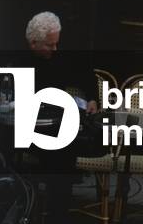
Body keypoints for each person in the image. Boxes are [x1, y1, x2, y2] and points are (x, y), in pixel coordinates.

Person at [13, 12, 98, 224]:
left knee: (62, 153)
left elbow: (87, 76)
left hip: (53, 125)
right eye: (50, 45)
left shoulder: (59, 57)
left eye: (56, 44)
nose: (55, 49)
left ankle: (56, 213)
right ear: (33, 43)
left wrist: (93, 99)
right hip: (24, 125)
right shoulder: (18, 59)